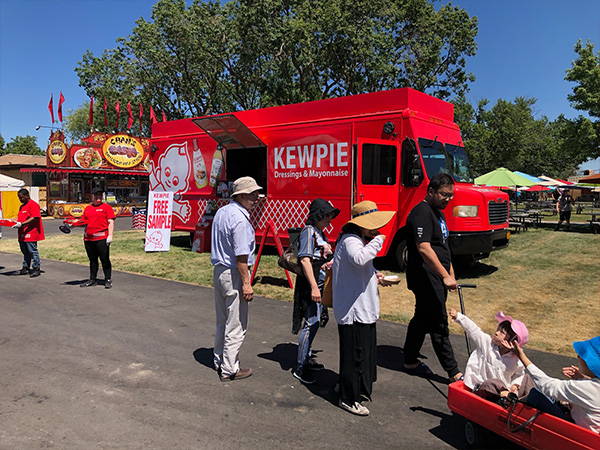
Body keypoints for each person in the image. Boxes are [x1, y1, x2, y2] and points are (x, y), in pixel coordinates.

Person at [332, 200, 396, 416]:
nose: (376, 229)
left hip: (359, 307)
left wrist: (376, 275)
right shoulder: (351, 239)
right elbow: (359, 259)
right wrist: (379, 240)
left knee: (358, 353)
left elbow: (361, 266)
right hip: (354, 310)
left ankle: (349, 388)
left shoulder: (353, 239)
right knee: (355, 354)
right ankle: (348, 398)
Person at [403, 173, 463, 383]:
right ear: (431, 192)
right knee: (438, 321)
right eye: (444, 194)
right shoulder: (422, 213)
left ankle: (409, 359)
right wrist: (445, 275)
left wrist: (451, 273)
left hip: (437, 276)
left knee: (421, 318)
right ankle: (453, 371)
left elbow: (442, 246)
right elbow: (424, 248)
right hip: (425, 277)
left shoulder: (438, 213)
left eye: (450, 195)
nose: (448, 199)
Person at [211, 176, 262, 382]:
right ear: (240, 195)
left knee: (223, 320)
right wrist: (247, 283)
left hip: (220, 270)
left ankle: (219, 360)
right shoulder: (240, 219)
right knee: (237, 323)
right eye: (252, 194)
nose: (256, 197)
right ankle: (229, 369)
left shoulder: (223, 212)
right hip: (233, 272)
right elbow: (241, 258)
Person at [291, 199, 339, 384]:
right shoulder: (309, 232)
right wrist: (313, 287)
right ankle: (301, 366)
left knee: (315, 321)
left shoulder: (318, 232)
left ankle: (306, 357)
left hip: (318, 281)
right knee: (312, 321)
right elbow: (305, 260)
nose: (330, 219)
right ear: (318, 215)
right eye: (327, 215)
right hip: (312, 283)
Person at [513, 336, 600, 434]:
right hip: (593, 436)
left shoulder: (587, 388)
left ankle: (516, 420)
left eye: (583, 355)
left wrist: (521, 356)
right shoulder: (593, 387)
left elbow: (546, 385)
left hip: (579, 434)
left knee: (537, 394)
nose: (578, 356)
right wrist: (581, 378)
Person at [449, 309, 532, 400]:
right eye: (498, 330)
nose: (496, 333)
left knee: (527, 379)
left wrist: (515, 385)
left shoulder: (516, 359)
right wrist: (459, 316)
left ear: (512, 341)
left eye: (502, 332)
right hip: (484, 389)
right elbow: (473, 330)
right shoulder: (487, 344)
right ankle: (507, 399)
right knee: (494, 382)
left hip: (506, 392)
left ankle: (529, 404)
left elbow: (519, 374)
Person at [80, 191, 116, 289]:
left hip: (101, 238)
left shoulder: (106, 208)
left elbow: (110, 222)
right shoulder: (88, 208)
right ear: (92, 196)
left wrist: (110, 236)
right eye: (96, 196)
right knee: (92, 260)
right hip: (89, 239)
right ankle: (92, 279)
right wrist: (71, 225)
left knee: (104, 260)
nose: (98, 198)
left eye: (100, 195)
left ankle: (107, 279)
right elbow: (83, 221)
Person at [13, 188, 45, 278]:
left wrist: (22, 223)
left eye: (21, 197)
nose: (20, 199)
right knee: (25, 251)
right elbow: (20, 218)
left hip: (31, 232)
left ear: (27, 196)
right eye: (19, 198)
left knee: (32, 251)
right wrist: (14, 222)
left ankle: (36, 268)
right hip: (22, 232)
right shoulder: (22, 206)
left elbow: (35, 217)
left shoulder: (33, 205)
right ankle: (25, 267)